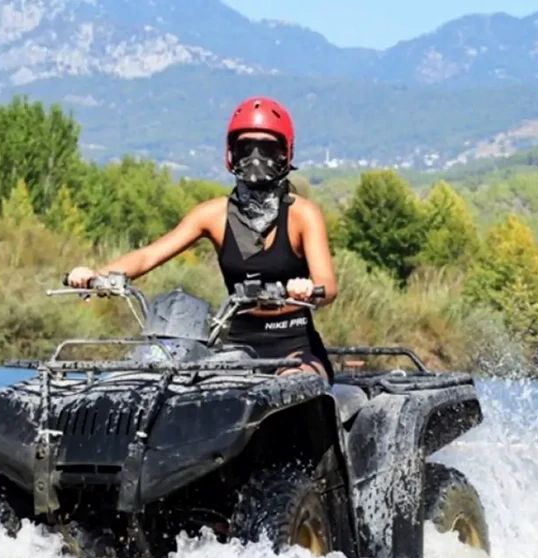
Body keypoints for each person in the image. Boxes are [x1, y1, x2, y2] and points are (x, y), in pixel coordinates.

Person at [67, 97, 338, 382]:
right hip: (238, 345)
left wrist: (308, 289)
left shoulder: (303, 214)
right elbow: (149, 255)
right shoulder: (213, 215)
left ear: (286, 153)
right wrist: (96, 276)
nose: (256, 158)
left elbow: (328, 286)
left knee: (297, 385)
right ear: (231, 153)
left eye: (267, 148)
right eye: (246, 148)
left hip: (295, 345)